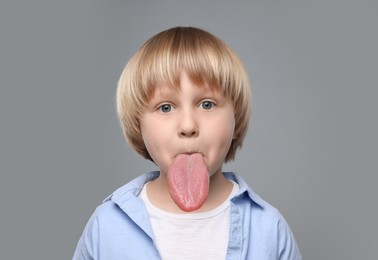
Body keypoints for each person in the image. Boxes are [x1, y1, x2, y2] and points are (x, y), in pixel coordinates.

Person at [73, 26, 302, 260]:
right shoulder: (106, 226)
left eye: (207, 104)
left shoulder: (269, 229)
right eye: (165, 107)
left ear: (236, 119)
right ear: (138, 126)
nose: (188, 126)